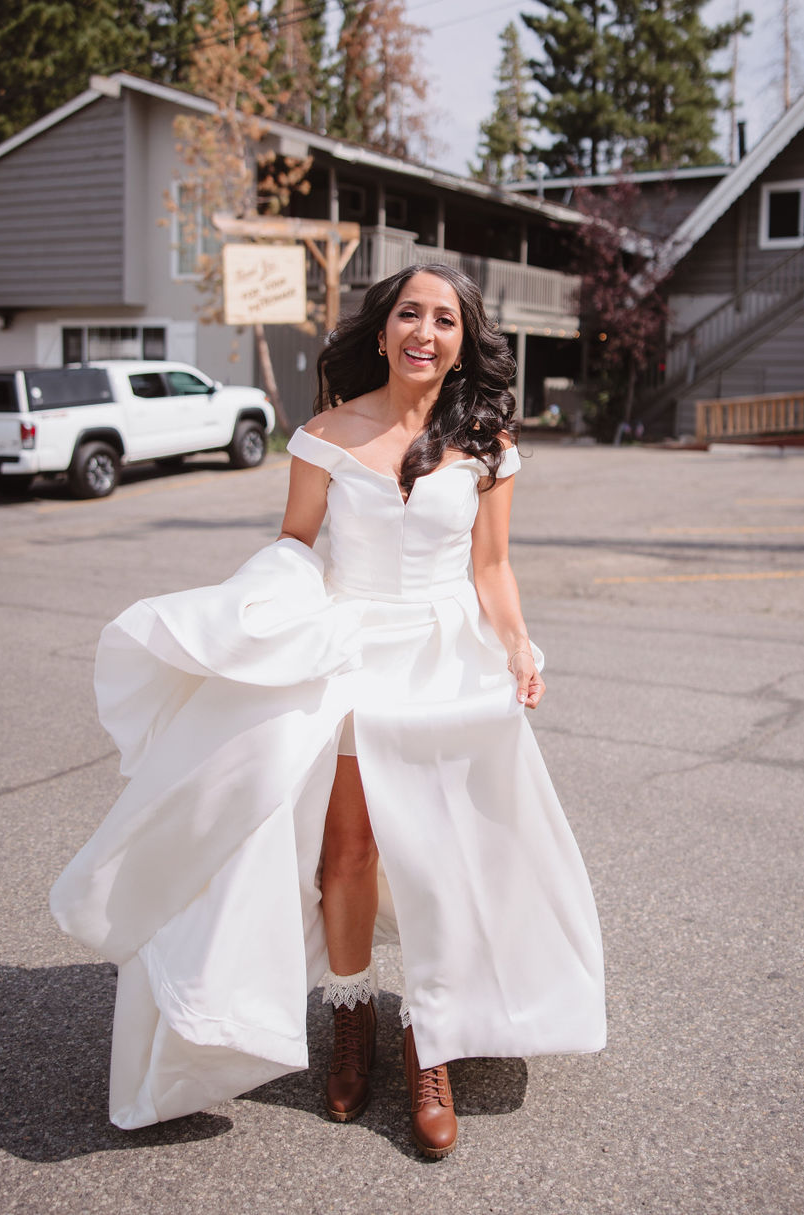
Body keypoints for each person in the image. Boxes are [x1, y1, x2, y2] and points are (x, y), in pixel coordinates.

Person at [50, 263, 605, 1156]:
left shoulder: (490, 444)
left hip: (445, 667)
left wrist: (515, 645)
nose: (426, 331)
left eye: (446, 319)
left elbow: (492, 568)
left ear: (465, 340)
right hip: (350, 659)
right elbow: (294, 548)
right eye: (410, 314)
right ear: (382, 331)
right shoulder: (320, 437)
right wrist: (258, 623)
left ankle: (432, 1038)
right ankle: (352, 1022)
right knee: (347, 850)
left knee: (440, 856)